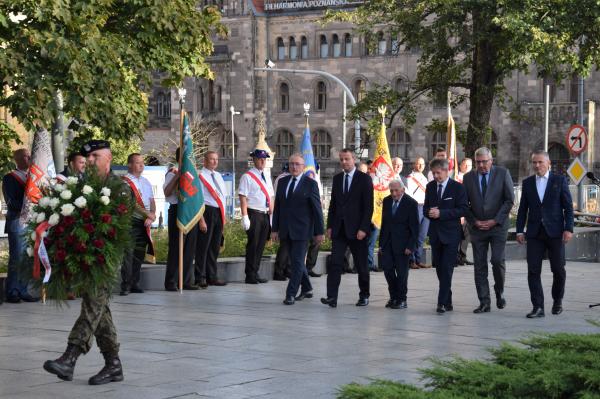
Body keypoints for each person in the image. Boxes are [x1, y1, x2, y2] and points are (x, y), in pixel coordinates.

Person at [43, 140, 127, 385]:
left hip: (107, 258)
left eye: (95, 157)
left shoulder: (119, 187)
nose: (89, 161)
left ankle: (70, 357)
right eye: (87, 158)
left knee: (93, 303)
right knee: (100, 311)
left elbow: (116, 227)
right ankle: (113, 365)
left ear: (108, 159)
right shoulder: (83, 186)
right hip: (86, 255)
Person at [516, 150, 574, 318]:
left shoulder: (559, 180)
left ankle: (557, 301)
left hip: (555, 232)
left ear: (548, 163)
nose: (537, 165)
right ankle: (538, 306)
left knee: (558, 269)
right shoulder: (527, 183)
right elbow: (522, 210)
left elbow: (568, 207)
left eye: (540, 162)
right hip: (534, 233)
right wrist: (520, 230)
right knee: (533, 270)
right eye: (534, 162)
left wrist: (568, 228)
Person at [463, 147, 514, 313]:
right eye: (478, 162)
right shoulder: (468, 177)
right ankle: (484, 302)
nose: (481, 165)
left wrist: (494, 221)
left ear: (491, 161)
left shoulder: (502, 173)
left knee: (497, 260)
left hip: (498, 226)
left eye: (485, 161)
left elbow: (509, 201)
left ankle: (499, 291)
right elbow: (464, 204)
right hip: (477, 228)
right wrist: (474, 221)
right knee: (479, 265)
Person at [321, 149, 374, 308]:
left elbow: (368, 207)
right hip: (339, 229)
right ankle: (332, 297)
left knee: (361, 264)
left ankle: (364, 295)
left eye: (347, 159)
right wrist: (330, 225)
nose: (344, 162)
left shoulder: (364, 179)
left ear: (354, 160)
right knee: (335, 263)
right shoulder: (337, 179)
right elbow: (333, 205)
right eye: (342, 159)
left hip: (358, 230)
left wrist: (364, 228)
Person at [272, 154, 324, 305]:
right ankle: (307, 288)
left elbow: (317, 210)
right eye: (291, 164)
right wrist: (274, 229)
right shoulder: (282, 182)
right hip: (285, 229)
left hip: (303, 230)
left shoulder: (310, 184)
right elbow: (278, 208)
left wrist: (319, 232)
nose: (294, 167)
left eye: (297, 164)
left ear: (303, 167)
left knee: (296, 262)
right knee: (297, 262)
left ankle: (290, 294)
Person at [424, 158, 468, 314]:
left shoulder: (457, 188)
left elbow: (463, 210)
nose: (436, 176)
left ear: (446, 171)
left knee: (447, 268)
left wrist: (441, 213)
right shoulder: (430, 187)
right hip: (435, 234)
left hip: (451, 234)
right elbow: (425, 209)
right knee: (439, 268)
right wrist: (430, 212)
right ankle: (447, 299)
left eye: (438, 172)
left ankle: (441, 303)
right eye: (433, 173)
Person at [2, 148, 37, 303]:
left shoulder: (34, 177)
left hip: (32, 221)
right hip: (17, 220)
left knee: (28, 256)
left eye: (30, 155)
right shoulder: (10, 177)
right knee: (17, 256)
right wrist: (27, 204)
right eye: (26, 156)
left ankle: (23, 289)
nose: (30, 158)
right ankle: (13, 291)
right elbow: (11, 201)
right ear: (18, 159)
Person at [379, 180, 419, 309]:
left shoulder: (411, 203)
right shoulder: (387, 201)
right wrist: (381, 244)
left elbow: (414, 227)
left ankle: (402, 299)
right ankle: (393, 297)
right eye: (391, 191)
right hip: (388, 243)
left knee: (402, 273)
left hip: (403, 245)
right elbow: (384, 224)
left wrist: (410, 246)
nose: (394, 193)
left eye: (396, 190)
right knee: (388, 270)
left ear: (403, 190)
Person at [120, 153, 156, 296]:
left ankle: (135, 282)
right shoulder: (124, 182)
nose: (141, 165)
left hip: (144, 222)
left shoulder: (146, 182)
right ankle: (126, 285)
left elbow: (152, 201)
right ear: (129, 164)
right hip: (130, 221)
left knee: (139, 254)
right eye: (137, 162)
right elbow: (131, 203)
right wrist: (148, 214)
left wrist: (152, 215)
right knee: (128, 254)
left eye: (142, 162)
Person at [163, 148, 197, 291]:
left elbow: (195, 196)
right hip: (177, 210)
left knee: (189, 248)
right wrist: (178, 177)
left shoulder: (191, 175)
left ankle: (187, 281)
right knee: (176, 247)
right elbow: (166, 192)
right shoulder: (172, 173)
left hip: (190, 211)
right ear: (180, 159)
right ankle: (171, 281)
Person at [238, 149, 274, 284]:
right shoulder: (247, 176)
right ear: (254, 160)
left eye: (265, 159)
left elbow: (271, 195)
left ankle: (256, 271)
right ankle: (250, 274)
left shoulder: (266, 176)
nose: (263, 161)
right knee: (253, 245)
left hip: (265, 214)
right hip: (254, 213)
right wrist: (245, 216)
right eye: (260, 159)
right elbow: (243, 197)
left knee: (260, 245)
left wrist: (272, 211)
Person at [194, 151, 227, 287]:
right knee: (203, 247)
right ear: (205, 161)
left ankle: (211, 276)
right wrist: (201, 219)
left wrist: (224, 215)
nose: (214, 162)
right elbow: (197, 199)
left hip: (218, 212)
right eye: (212, 159)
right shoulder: (200, 176)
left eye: (216, 159)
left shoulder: (218, 176)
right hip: (206, 211)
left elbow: (222, 196)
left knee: (214, 246)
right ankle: (200, 277)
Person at [406, 156, 430, 269]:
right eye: (418, 164)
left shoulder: (424, 178)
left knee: (422, 236)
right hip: (416, 207)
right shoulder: (410, 178)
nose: (421, 166)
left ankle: (419, 259)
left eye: (423, 164)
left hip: (425, 207)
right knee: (414, 234)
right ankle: (412, 260)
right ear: (414, 164)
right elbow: (409, 195)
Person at [273, 163, 291, 281]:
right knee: (285, 247)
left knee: (290, 248)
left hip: (292, 219)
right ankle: (279, 271)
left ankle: (287, 270)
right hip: (284, 218)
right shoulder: (283, 179)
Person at [456, 157, 474, 266]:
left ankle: (463, 256)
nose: (467, 167)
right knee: (459, 233)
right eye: (465, 165)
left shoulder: (472, 178)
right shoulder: (456, 177)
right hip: (460, 209)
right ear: (461, 165)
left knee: (467, 234)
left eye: (469, 165)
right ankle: (456, 257)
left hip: (470, 209)